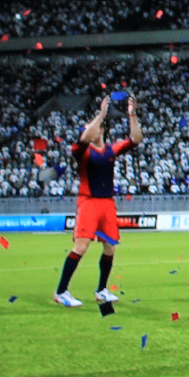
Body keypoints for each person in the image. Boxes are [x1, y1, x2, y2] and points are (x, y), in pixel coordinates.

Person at [53, 94, 143, 307]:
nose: (89, 130)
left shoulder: (111, 150)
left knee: (110, 247)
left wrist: (132, 115)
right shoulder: (82, 152)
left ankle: (102, 290)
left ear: (101, 130)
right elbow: (84, 137)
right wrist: (101, 113)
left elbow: (136, 139)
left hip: (107, 204)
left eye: (94, 126)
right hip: (89, 203)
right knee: (81, 247)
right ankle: (61, 291)